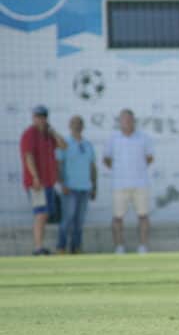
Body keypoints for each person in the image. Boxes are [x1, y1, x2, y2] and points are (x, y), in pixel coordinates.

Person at [104, 109, 154, 254]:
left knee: (143, 215)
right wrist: (120, 171)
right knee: (117, 217)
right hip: (119, 185)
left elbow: (150, 157)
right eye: (123, 120)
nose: (126, 122)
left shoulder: (143, 138)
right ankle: (119, 246)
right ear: (120, 121)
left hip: (140, 184)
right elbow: (106, 159)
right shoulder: (113, 138)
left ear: (134, 121)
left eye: (129, 119)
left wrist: (136, 169)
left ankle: (143, 246)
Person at [20, 105, 67, 256]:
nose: (41, 119)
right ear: (33, 118)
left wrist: (52, 131)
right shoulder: (29, 134)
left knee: (45, 214)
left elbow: (64, 145)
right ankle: (38, 247)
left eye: (43, 116)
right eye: (38, 116)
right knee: (41, 213)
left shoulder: (48, 135)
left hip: (48, 182)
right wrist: (35, 177)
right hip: (37, 183)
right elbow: (28, 157)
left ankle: (40, 245)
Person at [56, 115, 96, 254]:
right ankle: (61, 247)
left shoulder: (88, 144)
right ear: (69, 125)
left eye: (79, 123)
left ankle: (76, 248)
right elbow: (59, 165)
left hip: (84, 188)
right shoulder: (64, 143)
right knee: (67, 219)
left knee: (79, 221)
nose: (77, 126)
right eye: (74, 123)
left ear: (83, 126)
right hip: (70, 188)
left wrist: (94, 186)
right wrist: (62, 184)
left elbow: (92, 166)